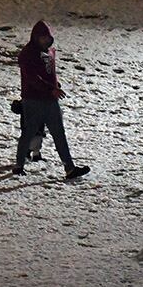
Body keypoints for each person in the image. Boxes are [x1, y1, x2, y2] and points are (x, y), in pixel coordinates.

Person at [14, 20, 90, 180]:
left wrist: (54, 85)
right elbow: (33, 78)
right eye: (42, 38)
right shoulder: (27, 54)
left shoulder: (50, 52)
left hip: (50, 99)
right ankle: (19, 165)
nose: (45, 41)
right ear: (35, 38)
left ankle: (69, 168)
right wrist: (51, 88)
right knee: (28, 133)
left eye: (47, 37)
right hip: (33, 100)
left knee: (59, 134)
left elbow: (48, 73)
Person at [11, 99, 45, 164]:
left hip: (35, 124)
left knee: (37, 138)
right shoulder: (28, 100)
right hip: (29, 124)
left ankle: (35, 154)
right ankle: (29, 152)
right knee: (34, 138)